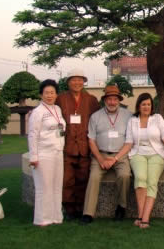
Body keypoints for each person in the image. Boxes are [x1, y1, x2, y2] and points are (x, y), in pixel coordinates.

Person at [113, 93, 164, 229]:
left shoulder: (157, 118)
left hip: (157, 153)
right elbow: (128, 143)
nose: (146, 107)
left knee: (151, 181)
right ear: (138, 106)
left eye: (149, 104)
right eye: (143, 104)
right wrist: (115, 158)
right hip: (138, 153)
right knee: (140, 178)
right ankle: (140, 215)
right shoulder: (133, 120)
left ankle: (145, 218)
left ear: (152, 106)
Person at [80, 85, 133, 224]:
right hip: (100, 155)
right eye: (109, 99)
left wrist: (115, 158)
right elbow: (91, 139)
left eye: (115, 99)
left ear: (119, 100)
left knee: (125, 176)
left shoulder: (128, 115)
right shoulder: (95, 116)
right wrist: (100, 159)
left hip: (120, 155)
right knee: (94, 177)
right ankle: (88, 213)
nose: (112, 102)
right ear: (105, 100)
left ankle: (121, 207)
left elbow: (130, 141)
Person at [56, 69, 100, 220]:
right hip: (67, 146)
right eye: (73, 80)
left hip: (84, 146)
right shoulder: (60, 99)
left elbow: (97, 121)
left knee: (83, 179)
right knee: (67, 179)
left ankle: (80, 207)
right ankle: (69, 208)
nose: (77, 83)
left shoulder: (91, 100)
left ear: (84, 82)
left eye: (80, 80)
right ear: (68, 82)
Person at [28, 79, 66, 226]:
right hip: (44, 153)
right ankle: (42, 219)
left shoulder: (57, 109)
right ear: (41, 95)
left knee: (56, 186)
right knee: (44, 187)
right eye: (46, 93)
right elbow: (32, 134)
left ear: (56, 94)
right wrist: (33, 156)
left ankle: (56, 217)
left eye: (52, 92)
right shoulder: (37, 112)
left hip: (58, 152)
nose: (49, 95)